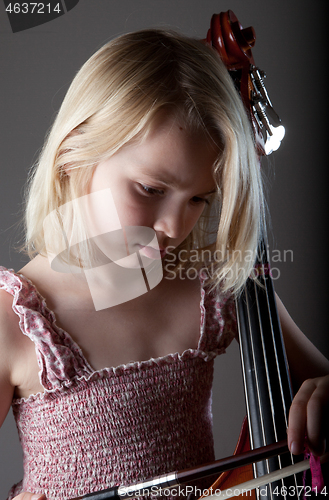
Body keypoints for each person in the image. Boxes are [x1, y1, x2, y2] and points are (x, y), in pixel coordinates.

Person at [0, 29, 328, 500]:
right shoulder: (17, 320)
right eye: (151, 190)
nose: (175, 226)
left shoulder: (216, 286)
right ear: (74, 155)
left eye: (199, 198)